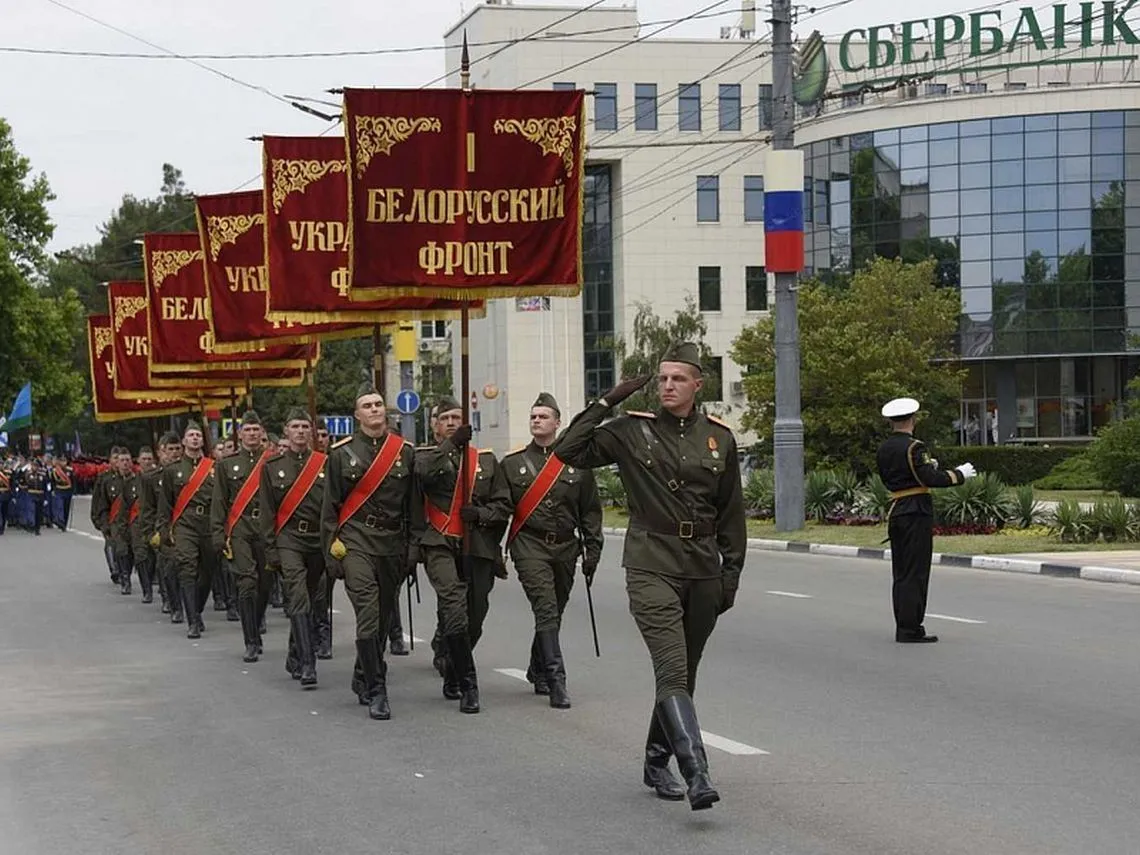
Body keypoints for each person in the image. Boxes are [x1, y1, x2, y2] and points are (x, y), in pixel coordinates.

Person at [555, 342, 746, 811]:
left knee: (684, 673)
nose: (666, 386)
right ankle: (696, 771)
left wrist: (731, 576)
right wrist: (607, 401)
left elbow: (731, 514)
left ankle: (655, 760)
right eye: (661, 379)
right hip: (650, 563)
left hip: (702, 567)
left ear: (698, 385)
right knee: (671, 666)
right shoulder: (629, 431)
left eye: (677, 379)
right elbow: (567, 450)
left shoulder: (719, 438)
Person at [501, 392, 603, 709]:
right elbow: (501, 509)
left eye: (543, 416)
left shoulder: (576, 464)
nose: (536, 420)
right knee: (545, 607)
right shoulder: (513, 463)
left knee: (554, 610)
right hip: (529, 544)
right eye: (533, 416)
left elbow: (590, 511)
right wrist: (493, 550)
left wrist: (593, 551)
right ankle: (557, 680)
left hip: (565, 546)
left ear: (557, 423)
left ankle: (537, 667)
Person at [412, 396, 511, 714]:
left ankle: (453, 668)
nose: (453, 422)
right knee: (454, 605)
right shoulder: (425, 456)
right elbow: (423, 477)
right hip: (439, 542)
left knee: (475, 615)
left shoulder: (485, 460)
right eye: (445, 418)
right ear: (434, 425)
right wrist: (451, 445)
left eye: (457, 417)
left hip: (477, 545)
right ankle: (469, 685)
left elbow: (502, 506)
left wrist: (480, 514)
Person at [321, 385, 415, 720]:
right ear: (357, 415)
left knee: (385, 612)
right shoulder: (341, 454)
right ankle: (378, 690)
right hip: (355, 540)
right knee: (368, 613)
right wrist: (331, 555)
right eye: (367, 406)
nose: (374, 410)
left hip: (391, 544)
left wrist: (413, 547)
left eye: (378, 404)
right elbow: (329, 508)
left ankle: (363, 673)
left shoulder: (404, 452)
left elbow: (412, 506)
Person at [876, 397, 977, 643]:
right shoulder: (914, 447)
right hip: (915, 512)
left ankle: (904, 624)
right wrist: (958, 475)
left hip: (898, 509)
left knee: (901, 572)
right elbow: (929, 478)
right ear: (913, 419)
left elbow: (907, 475)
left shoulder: (884, 448)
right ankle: (910, 628)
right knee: (916, 572)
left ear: (890, 421)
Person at [261, 408, 330, 689]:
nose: (301, 431)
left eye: (305, 426)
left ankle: (293, 653)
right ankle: (307, 662)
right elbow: (267, 512)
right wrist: (271, 550)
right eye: (295, 426)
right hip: (289, 539)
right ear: (286, 432)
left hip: (319, 541)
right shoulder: (272, 467)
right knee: (298, 595)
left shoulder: (325, 464)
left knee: (312, 599)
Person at [211, 411, 274, 662]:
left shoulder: (272, 461)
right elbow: (219, 502)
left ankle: (256, 622)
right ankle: (250, 640)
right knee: (247, 583)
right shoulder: (227, 465)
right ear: (240, 434)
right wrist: (218, 533)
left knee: (265, 584)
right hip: (240, 528)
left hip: (267, 528)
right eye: (247, 430)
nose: (252, 434)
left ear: (262, 433)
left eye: (256, 430)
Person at [157, 422, 216, 640]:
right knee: (187, 569)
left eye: (198, 435)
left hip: (209, 524)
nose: (194, 439)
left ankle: (197, 609)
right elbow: (165, 505)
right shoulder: (173, 471)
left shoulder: (214, 468)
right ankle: (192, 620)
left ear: (202, 440)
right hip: (185, 525)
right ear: (184, 441)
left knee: (207, 572)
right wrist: (164, 531)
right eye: (190, 435)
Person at [110, 449, 139, 596]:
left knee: (133, 552)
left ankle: (127, 571)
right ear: (116, 462)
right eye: (122, 460)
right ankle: (125, 580)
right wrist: (103, 525)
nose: (125, 463)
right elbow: (100, 504)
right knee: (121, 550)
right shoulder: (109, 481)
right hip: (115, 523)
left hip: (133, 521)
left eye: (128, 460)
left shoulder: (138, 480)